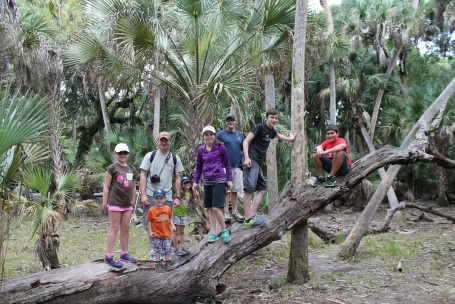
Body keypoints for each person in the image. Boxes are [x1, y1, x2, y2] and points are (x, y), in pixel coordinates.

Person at [242, 108, 296, 227]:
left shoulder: (271, 131)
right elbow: (246, 141)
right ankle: (247, 219)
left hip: (257, 163)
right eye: (272, 117)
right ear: (266, 118)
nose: (274, 120)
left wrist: (290, 139)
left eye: (276, 118)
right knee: (249, 188)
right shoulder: (260, 127)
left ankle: (252, 215)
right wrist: (246, 158)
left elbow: (280, 137)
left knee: (262, 188)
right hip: (251, 160)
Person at [139, 131, 184, 253]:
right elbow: (143, 175)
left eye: (166, 140)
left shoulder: (175, 158)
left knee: (166, 223)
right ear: (158, 141)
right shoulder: (150, 156)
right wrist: (143, 194)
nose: (164, 142)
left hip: (167, 196)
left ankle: (166, 250)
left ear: (170, 141)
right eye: (161, 140)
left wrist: (177, 197)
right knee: (151, 224)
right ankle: (154, 250)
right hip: (151, 194)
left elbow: (178, 177)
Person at [193, 125, 233, 244]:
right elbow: (199, 167)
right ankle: (213, 232)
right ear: (203, 136)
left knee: (216, 207)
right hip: (207, 181)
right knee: (210, 207)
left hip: (219, 180)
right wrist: (195, 181)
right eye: (206, 134)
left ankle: (224, 230)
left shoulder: (220, 148)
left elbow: (227, 164)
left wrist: (229, 179)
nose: (209, 136)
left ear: (214, 136)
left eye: (211, 134)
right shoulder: (201, 150)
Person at [102, 143, 139, 268]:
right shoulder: (112, 168)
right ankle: (109, 256)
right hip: (115, 203)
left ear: (128, 154)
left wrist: (133, 201)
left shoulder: (131, 169)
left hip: (127, 204)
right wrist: (104, 202)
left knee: (126, 228)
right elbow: (106, 187)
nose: (123, 155)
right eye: (120, 153)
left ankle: (124, 253)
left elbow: (133, 187)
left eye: (125, 153)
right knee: (114, 228)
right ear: (115, 154)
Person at [216, 113, 245, 223]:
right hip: (224, 166)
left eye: (232, 120)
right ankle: (226, 211)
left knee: (235, 189)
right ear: (225, 122)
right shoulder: (220, 135)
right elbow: (215, 149)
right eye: (228, 120)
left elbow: (243, 149)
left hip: (237, 165)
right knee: (226, 190)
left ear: (235, 121)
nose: (230, 122)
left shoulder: (240, 135)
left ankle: (235, 211)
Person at [146, 188, 176, 273]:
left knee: (167, 248)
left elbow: (170, 217)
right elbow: (149, 221)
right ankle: (158, 262)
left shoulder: (167, 208)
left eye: (161, 198)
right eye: (157, 198)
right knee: (157, 249)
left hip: (166, 233)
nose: (159, 200)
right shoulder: (152, 210)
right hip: (157, 234)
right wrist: (150, 231)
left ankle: (167, 261)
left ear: (165, 199)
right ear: (153, 199)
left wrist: (173, 225)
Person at [172, 176, 200, 255]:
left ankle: (182, 247)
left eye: (188, 183)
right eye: (184, 183)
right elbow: (174, 200)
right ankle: (176, 248)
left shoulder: (190, 193)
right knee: (176, 232)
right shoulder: (179, 193)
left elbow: (196, 203)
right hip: (176, 214)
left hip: (183, 215)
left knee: (182, 231)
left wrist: (196, 195)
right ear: (181, 184)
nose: (186, 184)